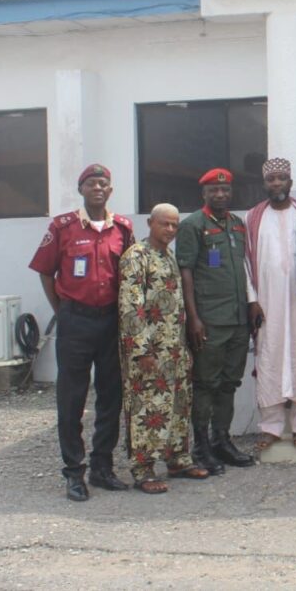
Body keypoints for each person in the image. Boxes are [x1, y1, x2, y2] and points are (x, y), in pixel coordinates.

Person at [29, 164, 134, 502]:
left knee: (111, 396)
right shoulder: (63, 227)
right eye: (91, 183)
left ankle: (102, 467)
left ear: (111, 190)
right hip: (75, 321)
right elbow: (45, 271)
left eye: (103, 183)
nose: (98, 188)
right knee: (72, 398)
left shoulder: (123, 228)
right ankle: (74, 472)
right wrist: (62, 311)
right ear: (81, 189)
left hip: (111, 322)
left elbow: (131, 272)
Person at [118, 204, 209, 493]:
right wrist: (141, 350)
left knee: (178, 405)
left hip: (175, 349)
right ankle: (143, 469)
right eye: (164, 224)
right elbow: (131, 306)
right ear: (150, 223)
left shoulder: (169, 256)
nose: (170, 229)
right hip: (149, 351)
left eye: (174, 225)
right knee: (148, 408)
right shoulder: (136, 256)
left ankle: (177, 460)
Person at [177, 168, 255, 474]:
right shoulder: (193, 225)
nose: (221, 194)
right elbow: (185, 272)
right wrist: (193, 318)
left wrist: (251, 304)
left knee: (229, 383)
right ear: (204, 194)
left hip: (237, 319)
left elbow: (244, 268)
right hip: (209, 320)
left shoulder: (237, 224)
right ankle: (201, 447)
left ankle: (221, 440)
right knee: (206, 384)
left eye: (225, 190)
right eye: (214, 190)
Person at [244, 158, 296, 452]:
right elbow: (245, 262)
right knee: (269, 357)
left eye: (281, 178)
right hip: (267, 301)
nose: (276, 183)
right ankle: (270, 427)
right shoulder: (253, 217)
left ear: (290, 182)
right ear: (264, 183)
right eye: (271, 179)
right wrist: (252, 300)